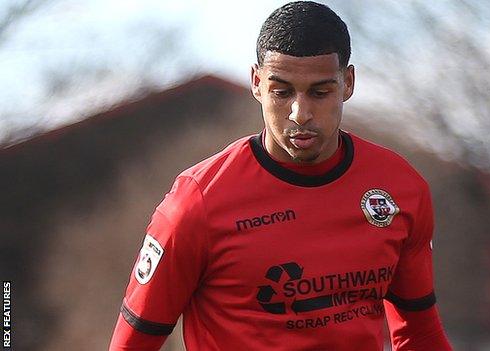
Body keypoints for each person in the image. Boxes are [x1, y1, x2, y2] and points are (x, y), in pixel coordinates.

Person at [109, 1, 453, 350]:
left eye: (320, 92)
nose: (300, 113)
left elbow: (420, 334)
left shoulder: (400, 188)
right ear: (257, 83)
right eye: (282, 91)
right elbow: (132, 345)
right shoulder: (195, 203)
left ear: (347, 83)